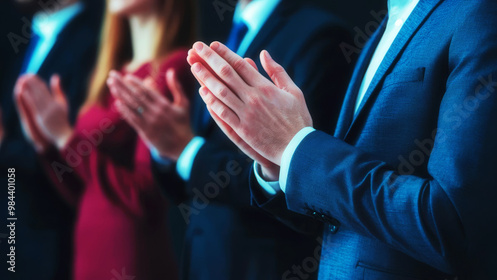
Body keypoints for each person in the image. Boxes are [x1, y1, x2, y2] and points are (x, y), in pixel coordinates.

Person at [188, 0, 497, 279]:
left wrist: (297, 148)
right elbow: (339, 216)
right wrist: (279, 165)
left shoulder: (480, 14)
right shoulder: (385, 26)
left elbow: (455, 227)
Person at [108, 0, 352, 278]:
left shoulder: (321, 34)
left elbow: (304, 181)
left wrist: (187, 151)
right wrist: (165, 148)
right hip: (202, 262)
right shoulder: (231, 33)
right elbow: (189, 182)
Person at [14, 0, 196, 279]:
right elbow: (86, 193)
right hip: (89, 253)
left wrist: (65, 137)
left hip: (129, 256)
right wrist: (48, 145)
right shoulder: (113, 72)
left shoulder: (173, 69)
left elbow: (143, 197)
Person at [0, 0, 101, 279]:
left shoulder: (96, 42)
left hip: (54, 250)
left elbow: (77, 154)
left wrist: (6, 146)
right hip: (17, 240)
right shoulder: (29, 39)